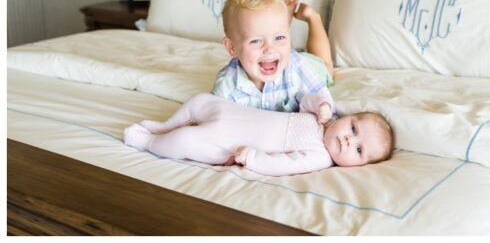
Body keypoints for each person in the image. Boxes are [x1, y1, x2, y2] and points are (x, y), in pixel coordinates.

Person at [123, 94, 393, 176]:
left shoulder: (320, 157)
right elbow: (305, 99)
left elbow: (282, 165)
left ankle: (149, 141)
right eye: (354, 129)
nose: (349, 140)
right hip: (233, 113)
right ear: (347, 117)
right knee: (200, 101)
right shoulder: (324, 117)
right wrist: (323, 104)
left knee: (184, 142)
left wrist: (252, 157)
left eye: (358, 151)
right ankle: (164, 125)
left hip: (228, 145)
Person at [212, 0, 336, 122]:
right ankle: (281, 25)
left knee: (326, 66)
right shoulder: (226, 86)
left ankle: (313, 18)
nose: (269, 49)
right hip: (280, 57)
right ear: (232, 47)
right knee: (275, 34)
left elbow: (321, 94)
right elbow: (216, 120)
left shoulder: (299, 68)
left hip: (299, 62)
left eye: (279, 38)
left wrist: (324, 106)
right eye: (256, 41)